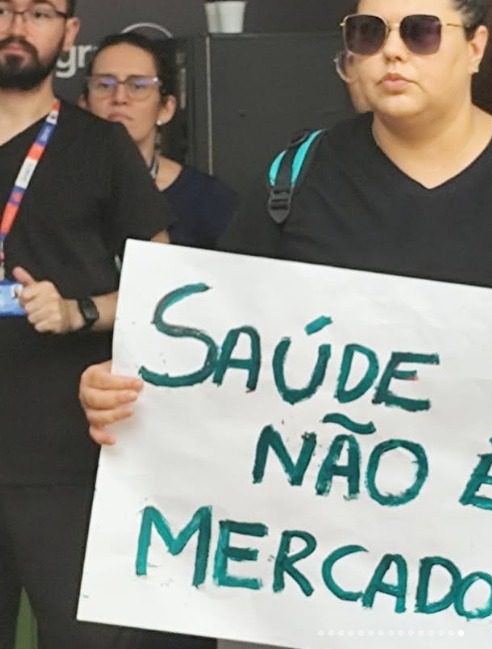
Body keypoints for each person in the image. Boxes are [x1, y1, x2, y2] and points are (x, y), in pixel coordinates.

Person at [79, 1, 492, 643]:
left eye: (421, 33)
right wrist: (126, 387)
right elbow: (218, 358)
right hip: (310, 587)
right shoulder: (293, 182)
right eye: (369, 33)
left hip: (487, 595)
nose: (392, 51)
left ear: (476, 48)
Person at [0, 1, 221, 648]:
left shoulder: (99, 146)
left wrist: (78, 311)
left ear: (69, 31)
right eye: (5, 9)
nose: (17, 26)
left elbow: (166, 289)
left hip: (63, 453)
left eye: (39, 12)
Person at [80, 32, 236, 250]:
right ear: (84, 105)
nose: (119, 98)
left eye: (138, 86)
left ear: (166, 108)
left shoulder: (208, 200)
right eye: (104, 85)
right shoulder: (53, 189)